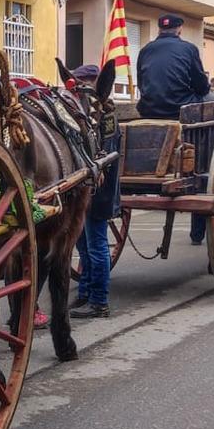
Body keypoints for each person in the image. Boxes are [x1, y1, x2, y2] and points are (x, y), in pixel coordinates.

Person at [136, 13, 211, 244]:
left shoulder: (145, 50)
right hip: (181, 110)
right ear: (180, 29)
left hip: (148, 109)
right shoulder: (188, 49)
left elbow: (142, 82)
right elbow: (200, 84)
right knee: (212, 100)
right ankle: (204, 163)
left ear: (160, 29)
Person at [69, 64, 121, 320]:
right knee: (83, 244)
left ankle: (99, 301)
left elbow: (105, 154)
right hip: (85, 188)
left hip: (99, 189)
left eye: (82, 84)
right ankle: (85, 292)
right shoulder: (86, 114)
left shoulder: (107, 117)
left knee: (97, 245)